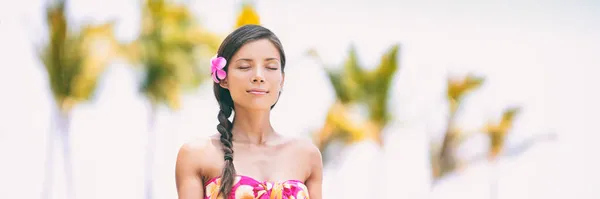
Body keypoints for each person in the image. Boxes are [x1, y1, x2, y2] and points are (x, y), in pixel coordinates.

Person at [175, 25, 323, 199]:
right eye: (245, 66)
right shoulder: (196, 155)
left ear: (282, 79)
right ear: (223, 78)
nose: (259, 76)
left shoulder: (307, 156)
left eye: (271, 67)